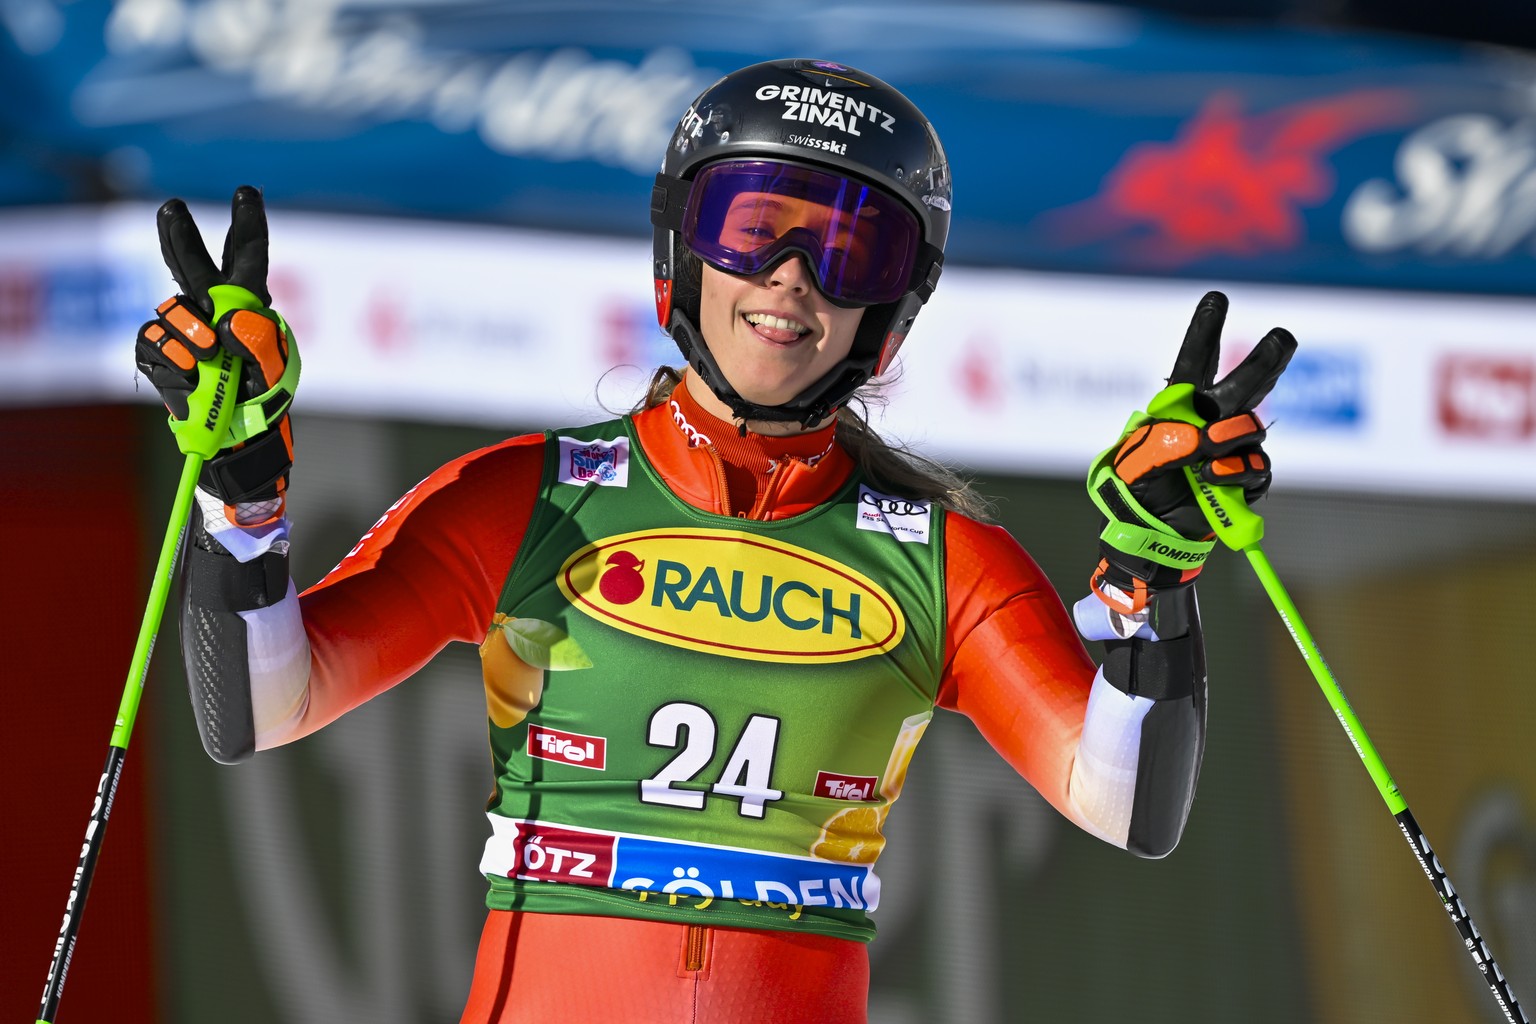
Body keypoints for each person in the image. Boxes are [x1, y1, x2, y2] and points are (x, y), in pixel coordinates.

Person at [135, 58, 1294, 1024]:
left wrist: (1154, 575)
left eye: (848, 252)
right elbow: (258, 708)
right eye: (754, 228)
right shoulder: (529, 502)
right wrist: (241, 491)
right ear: (679, 253)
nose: (791, 280)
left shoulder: (941, 560)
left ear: (892, 312)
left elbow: (1130, 804)